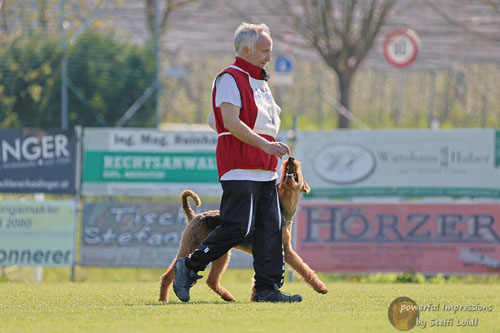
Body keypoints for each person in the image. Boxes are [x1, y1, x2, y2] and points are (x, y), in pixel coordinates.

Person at [173, 22, 302, 303]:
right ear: (246, 49)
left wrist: (262, 146)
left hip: (264, 169)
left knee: (270, 229)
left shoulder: (260, 82)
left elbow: (215, 119)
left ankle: (267, 290)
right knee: (238, 227)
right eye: (265, 50)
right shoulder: (230, 78)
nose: (269, 56)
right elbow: (229, 120)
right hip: (241, 166)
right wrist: (263, 144)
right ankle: (190, 265)